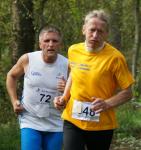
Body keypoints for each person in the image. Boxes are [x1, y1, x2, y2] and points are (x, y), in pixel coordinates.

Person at [54, 9, 135, 150]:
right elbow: (74, 74)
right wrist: (64, 97)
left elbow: (128, 93)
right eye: (92, 30)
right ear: (84, 30)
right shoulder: (73, 50)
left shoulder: (115, 58)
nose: (95, 35)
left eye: (100, 31)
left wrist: (107, 104)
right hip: (73, 119)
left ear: (106, 34)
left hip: (101, 124)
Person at [6, 26, 68, 150]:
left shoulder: (67, 65)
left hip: (56, 121)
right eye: (46, 41)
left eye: (55, 41)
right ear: (40, 44)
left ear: (60, 44)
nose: (50, 44)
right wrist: (14, 101)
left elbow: (77, 91)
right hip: (30, 119)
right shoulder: (28, 59)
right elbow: (11, 76)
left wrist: (67, 89)